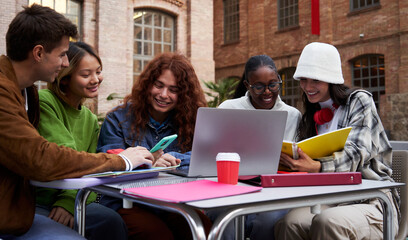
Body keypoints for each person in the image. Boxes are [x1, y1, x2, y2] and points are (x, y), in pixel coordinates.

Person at [0, 4, 154, 239]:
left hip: (18, 210)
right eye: (62, 54)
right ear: (39, 53)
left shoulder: (25, 92)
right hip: (16, 213)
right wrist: (120, 161)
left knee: (110, 223)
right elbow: (40, 157)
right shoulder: (7, 92)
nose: (64, 63)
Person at [276, 42, 399, 239]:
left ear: (331, 78)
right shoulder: (312, 115)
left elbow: (356, 152)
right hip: (331, 199)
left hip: (372, 201)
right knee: (289, 223)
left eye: (315, 79)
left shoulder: (360, 101)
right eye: (303, 80)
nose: (307, 87)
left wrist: (316, 166)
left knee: (328, 222)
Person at [97, 52, 211, 239]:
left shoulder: (190, 120)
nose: (163, 95)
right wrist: (149, 166)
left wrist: (173, 159)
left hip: (172, 202)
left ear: (184, 95)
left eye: (173, 90)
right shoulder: (117, 119)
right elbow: (110, 163)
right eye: (159, 85)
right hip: (126, 203)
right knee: (156, 233)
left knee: (203, 228)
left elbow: (204, 157)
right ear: (148, 84)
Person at [35, 41, 128, 239]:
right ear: (65, 78)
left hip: (75, 198)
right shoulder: (44, 101)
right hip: (37, 201)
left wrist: (69, 202)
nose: (95, 80)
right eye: (86, 75)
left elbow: (94, 167)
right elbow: (66, 156)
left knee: (112, 221)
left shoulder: (90, 118)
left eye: (98, 72)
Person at [206, 54, 301, 240]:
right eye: (259, 86)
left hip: (275, 192)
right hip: (231, 190)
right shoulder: (228, 109)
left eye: (273, 84)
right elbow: (211, 154)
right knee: (228, 219)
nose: (267, 92)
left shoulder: (292, 115)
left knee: (269, 219)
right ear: (247, 85)